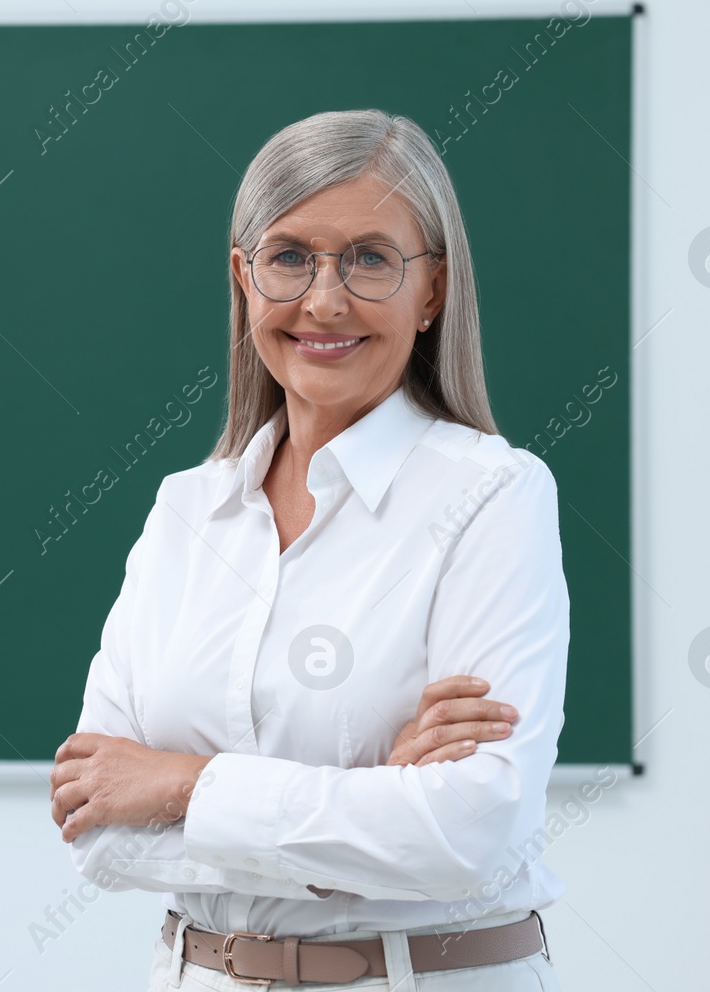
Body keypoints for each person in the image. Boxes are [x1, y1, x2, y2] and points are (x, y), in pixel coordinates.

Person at [50, 109, 569, 990]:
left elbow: (471, 832)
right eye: (291, 256)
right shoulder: (187, 511)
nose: (325, 299)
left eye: (371, 258)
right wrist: (371, 800)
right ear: (244, 277)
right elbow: (96, 823)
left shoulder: (493, 495)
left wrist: (180, 783)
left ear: (432, 290)